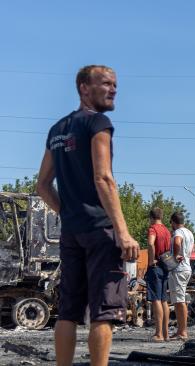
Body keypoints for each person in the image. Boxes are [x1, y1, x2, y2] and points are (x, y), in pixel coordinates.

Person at [36, 65, 140, 366]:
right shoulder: (98, 123)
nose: (113, 89)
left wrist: (67, 213)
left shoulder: (57, 130)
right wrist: (122, 231)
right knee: (103, 311)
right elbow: (103, 178)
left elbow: (42, 185)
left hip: (72, 231)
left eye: (115, 84)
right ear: (84, 88)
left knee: (67, 311)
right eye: (105, 83)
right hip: (100, 231)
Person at [145, 207, 172, 342]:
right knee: (164, 300)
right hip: (165, 266)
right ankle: (166, 334)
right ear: (161, 217)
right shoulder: (167, 231)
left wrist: (151, 261)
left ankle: (159, 334)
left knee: (155, 299)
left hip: (155, 267)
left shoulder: (153, 229)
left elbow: (150, 243)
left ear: (151, 217)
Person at [168, 212, 194, 340]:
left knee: (179, 301)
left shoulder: (178, 232)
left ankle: (182, 332)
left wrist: (175, 256)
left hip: (179, 269)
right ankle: (180, 330)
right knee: (180, 300)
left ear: (173, 222)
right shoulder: (189, 233)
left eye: (171, 223)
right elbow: (191, 249)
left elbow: (177, 242)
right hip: (187, 267)